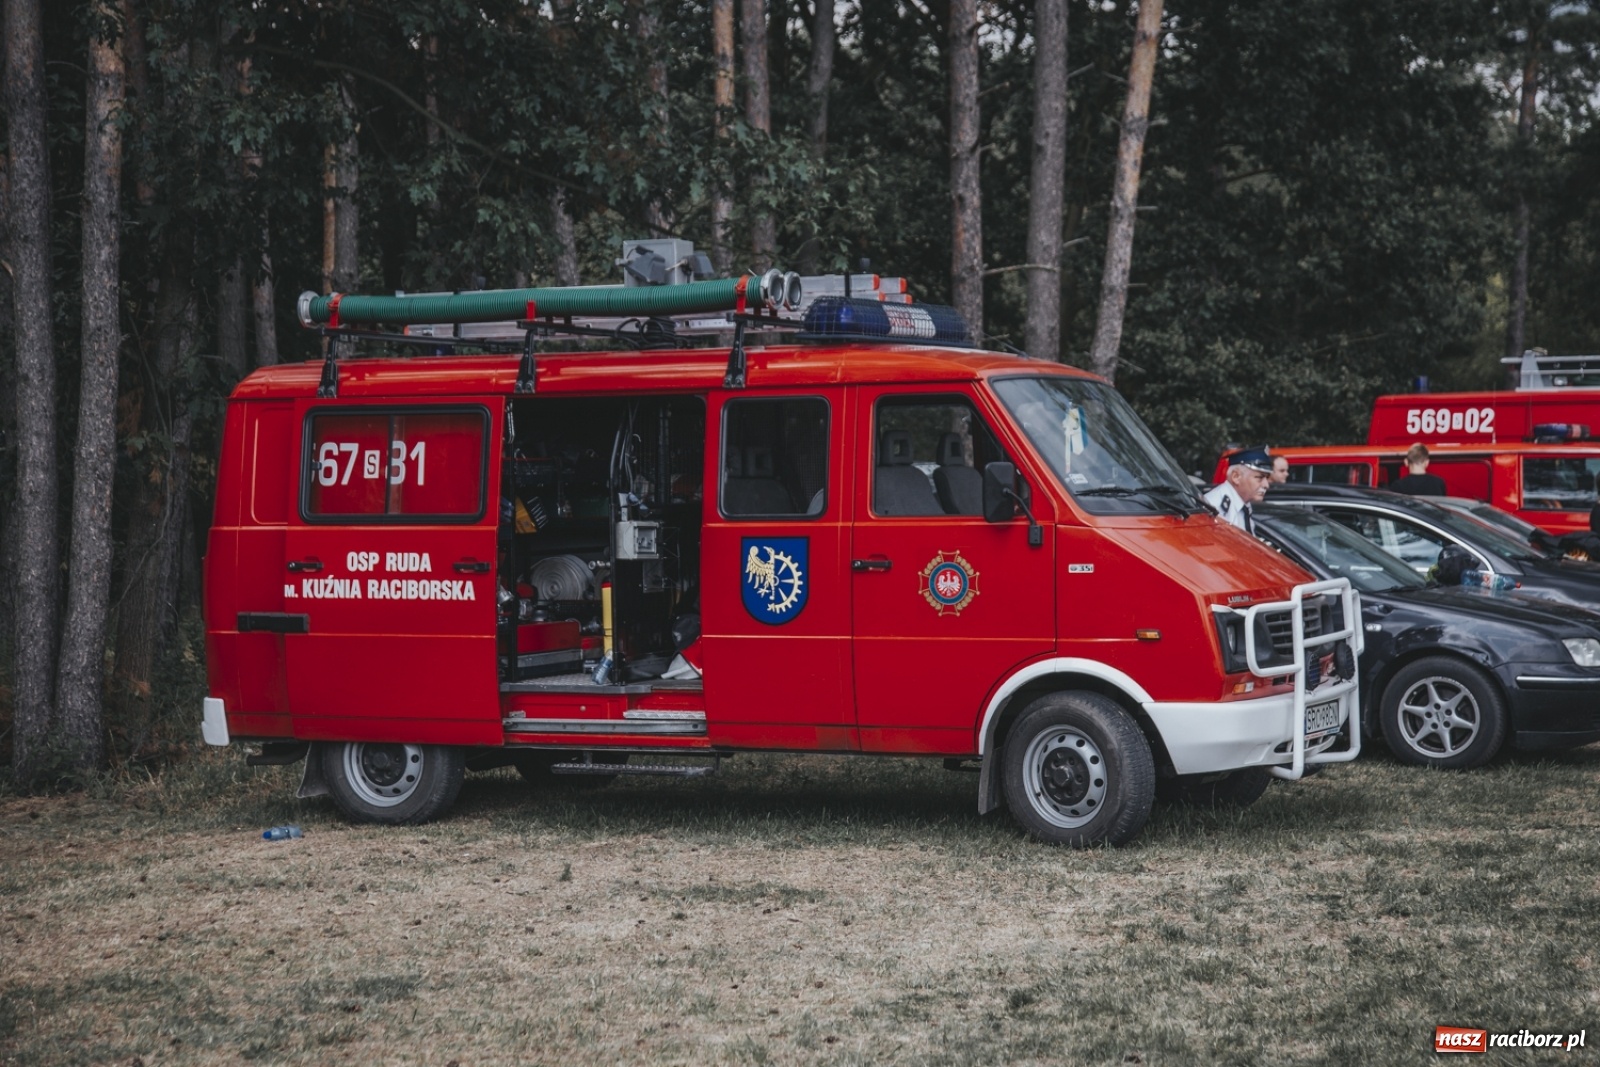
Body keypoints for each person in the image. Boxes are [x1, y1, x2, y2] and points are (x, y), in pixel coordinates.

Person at [1205, 447, 1273, 533]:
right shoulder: (1216, 507)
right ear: (1236, 477)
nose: (1266, 485)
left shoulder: (1243, 504)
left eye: (1267, 478)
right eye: (1259, 477)